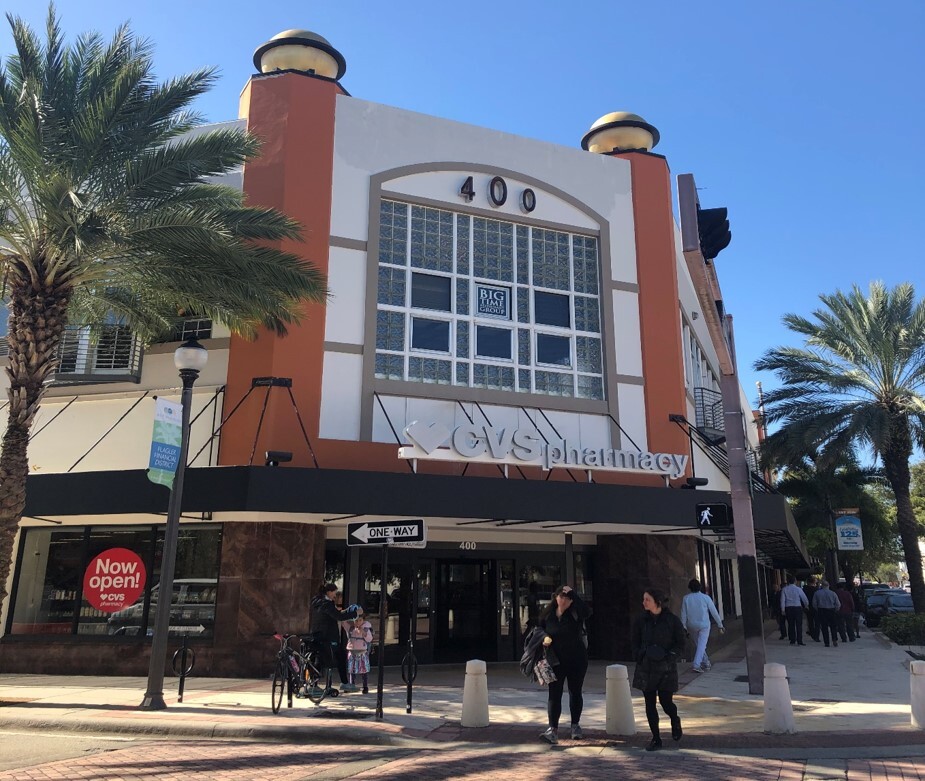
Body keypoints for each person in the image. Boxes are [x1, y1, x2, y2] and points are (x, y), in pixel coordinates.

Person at [632, 588, 686, 752]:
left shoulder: (672, 620)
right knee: (649, 704)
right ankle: (656, 738)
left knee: (665, 701)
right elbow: (635, 641)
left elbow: (680, 643)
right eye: (643, 599)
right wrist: (640, 655)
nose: (644, 603)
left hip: (665, 668)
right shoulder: (641, 620)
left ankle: (675, 720)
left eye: (647, 599)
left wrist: (670, 656)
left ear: (658, 602)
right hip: (646, 667)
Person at [538, 585, 591, 745]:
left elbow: (587, 612)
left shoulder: (576, 614)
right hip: (555, 661)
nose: (563, 600)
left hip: (576, 660)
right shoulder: (548, 615)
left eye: (567, 598)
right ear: (555, 597)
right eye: (561, 597)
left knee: (575, 692)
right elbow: (538, 631)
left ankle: (575, 726)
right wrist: (544, 638)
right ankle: (552, 729)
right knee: (554, 694)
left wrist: (573, 593)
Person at [310, 583, 361, 692]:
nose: (335, 595)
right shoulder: (327, 604)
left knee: (320, 658)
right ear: (328, 592)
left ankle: (314, 684)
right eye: (334, 592)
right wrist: (355, 613)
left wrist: (346, 611)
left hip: (317, 634)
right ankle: (342, 683)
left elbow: (334, 613)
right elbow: (338, 617)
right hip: (329, 636)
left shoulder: (316, 601)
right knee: (336, 658)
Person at [680, 579, 725, 673]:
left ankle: (706, 662)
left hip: (691, 625)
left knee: (699, 645)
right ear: (700, 587)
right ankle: (696, 664)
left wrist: (683, 626)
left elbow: (683, 614)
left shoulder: (686, 598)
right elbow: (714, 612)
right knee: (701, 645)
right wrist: (720, 625)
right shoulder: (706, 597)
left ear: (689, 588)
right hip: (704, 624)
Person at [342, 614, 374, 694]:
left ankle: (365, 686)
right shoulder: (351, 628)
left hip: (362, 652)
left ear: (363, 621)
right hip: (352, 651)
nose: (358, 622)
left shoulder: (366, 629)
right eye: (356, 620)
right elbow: (343, 622)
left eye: (360, 620)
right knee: (351, 670)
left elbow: (369, 639)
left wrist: (364, 632)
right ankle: (351, 685)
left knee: (364, 670)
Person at [780, 574, 808, 645]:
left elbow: (782, 600)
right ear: (795, 581)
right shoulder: (798, 589)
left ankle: (792, 640)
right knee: (799, 624)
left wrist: (783, 609)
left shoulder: (784, 589)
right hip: (797, 607)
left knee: (791, 624)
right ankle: (799, 640)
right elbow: (804, 598)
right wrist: (806, 605)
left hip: (788, 608)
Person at [812, 580, 841, 647]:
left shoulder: (817, 593)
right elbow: (838, 604)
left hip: (822, 610)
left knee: (824, 627)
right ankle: (834, 639)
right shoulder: (833, 593)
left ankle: (826, 642)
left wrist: (818, 609)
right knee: (833, 626)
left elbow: (814, 604)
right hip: (831, 610)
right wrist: (836, 610)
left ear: (822, 586)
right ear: (828, 586)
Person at [803, 577, 820, 642]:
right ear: (814, 582)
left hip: (808, 607)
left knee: (810, 621)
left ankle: (812, 634)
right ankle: (816, 636)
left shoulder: (805, 589)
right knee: (817, 622)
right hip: (816, 607)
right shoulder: (816, 590)